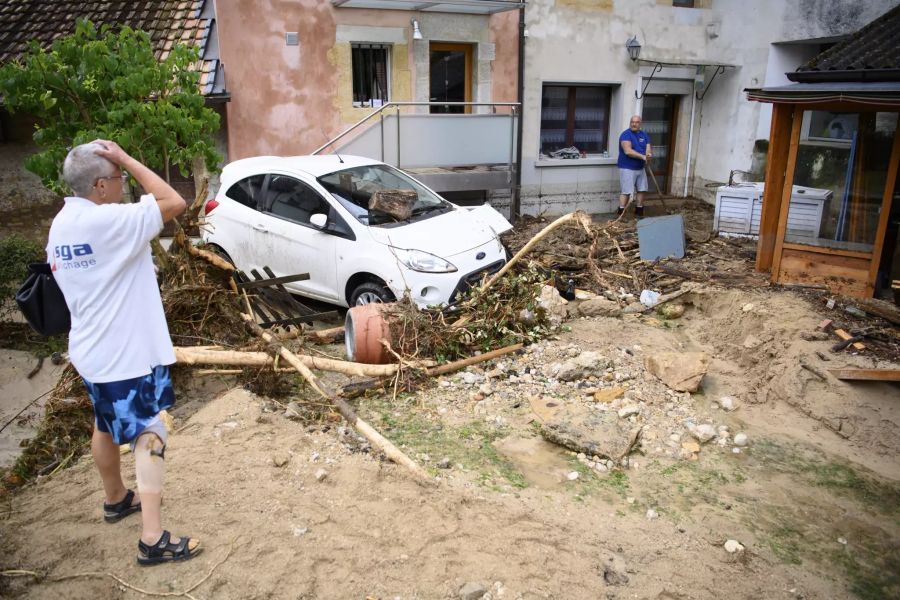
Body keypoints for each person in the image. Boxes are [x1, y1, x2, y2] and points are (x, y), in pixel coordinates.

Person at [48, 140, 201, 565]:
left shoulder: (63, 224)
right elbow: (174, 200)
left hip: (91, 350)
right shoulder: (107, 222)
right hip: (124, 353)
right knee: (151, 431)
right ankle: (152, 538)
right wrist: (129, 158)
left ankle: (116, 498)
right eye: (116, 179)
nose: (123, 186)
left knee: (104, 422)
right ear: (100, 185)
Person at [617, 114, 652, 218]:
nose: (634, 124)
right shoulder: (625, 135)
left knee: (642, 189)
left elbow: (648, 148)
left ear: (640, 124)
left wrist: (648, 155)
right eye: (632, 122)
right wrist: (642, 157)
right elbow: (628, 151)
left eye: (636, 122)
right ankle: (620, 214)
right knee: (626, 191)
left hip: (640, 168)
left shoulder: (644, 135)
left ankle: (639, 211)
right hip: (627, 167)